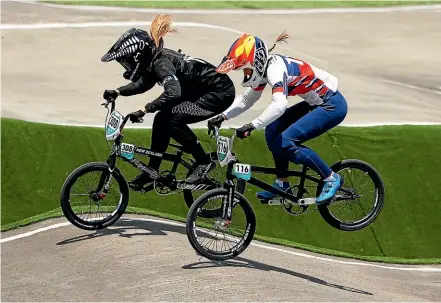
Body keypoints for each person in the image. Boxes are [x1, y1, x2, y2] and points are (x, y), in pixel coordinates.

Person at [208, 32, 348, 204]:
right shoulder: (264, 69)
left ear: (256, 62)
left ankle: (330, 177)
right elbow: (247, 99)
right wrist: (223, 116)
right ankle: (283, 183)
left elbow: (279, 104)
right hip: (317, 103)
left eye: (245, 68)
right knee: (272, 130)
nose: (244, 73)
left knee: (287, 140)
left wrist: (252, 125)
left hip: (332, 105)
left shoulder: (275, 69)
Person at [101, 14, 235, 190]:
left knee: (174, 120)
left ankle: (203, 162)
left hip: (218, 93)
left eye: (126, 61)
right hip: (198, 91)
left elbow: (173, 93)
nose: (126, 66)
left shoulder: (161, 64)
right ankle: (152, 171)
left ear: (138, 56)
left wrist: (145, 109)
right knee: (161, 119)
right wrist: (118, 91)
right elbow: (144, 83)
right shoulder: (153, 60)